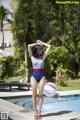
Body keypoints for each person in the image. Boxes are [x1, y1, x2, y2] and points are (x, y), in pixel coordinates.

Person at [28, 40, 51, 117]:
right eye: (39, 49)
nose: (40, 50)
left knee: (40, 95)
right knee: (34, 95)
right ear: (36, 49)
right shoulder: (32, 57)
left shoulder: (43, 57)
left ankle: (40, 111)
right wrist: (36, 43)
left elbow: (49, 46)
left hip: (41, 76)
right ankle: (35, 111)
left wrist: (42, 43)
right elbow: (28, 46)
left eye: (41, 49)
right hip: (34, 76)